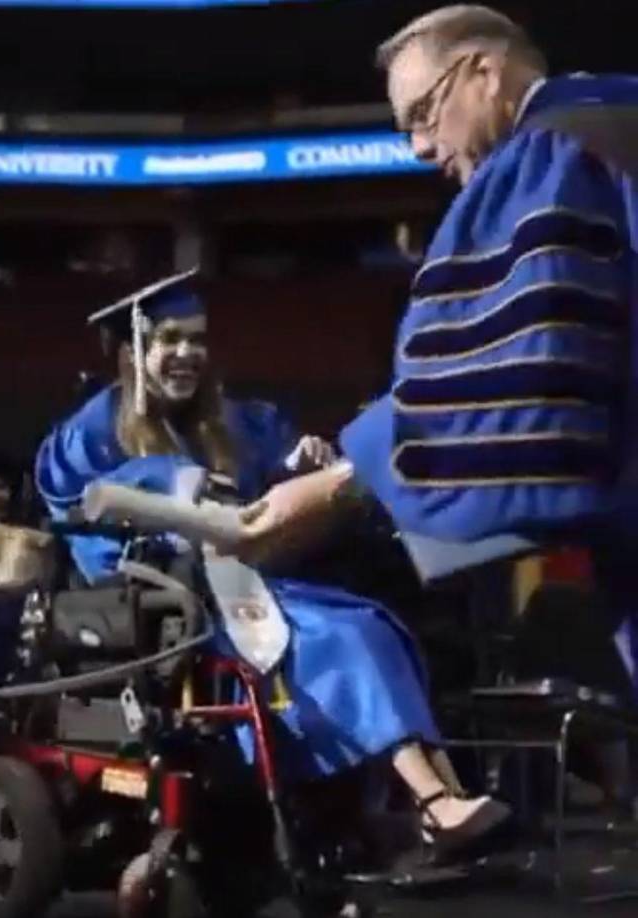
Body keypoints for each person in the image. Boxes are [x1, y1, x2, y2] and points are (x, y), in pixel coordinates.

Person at [234, 5, 638, 703]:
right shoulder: (618, 117)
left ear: (485, 71)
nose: (419, 146)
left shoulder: (559, 154)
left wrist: (350, 477)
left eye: (423, 112)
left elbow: (518, 384)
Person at [35, 268, 511, 861]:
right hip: (178, 605)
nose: (188, 354)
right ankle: (433, 799)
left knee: (378, 623)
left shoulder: (234, 421)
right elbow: (86, 521)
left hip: (259, 585)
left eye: (198, 340)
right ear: (134, 350)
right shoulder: (90, 433)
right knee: (345, 635)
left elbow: (272, 498)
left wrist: (305, 464)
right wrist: (171, 487)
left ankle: (429, 799)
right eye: (170, 340)